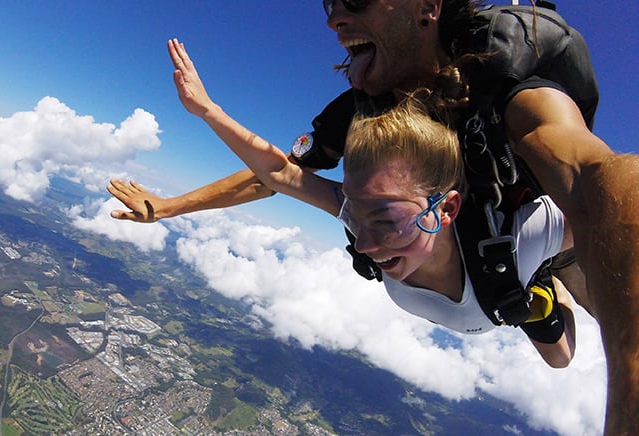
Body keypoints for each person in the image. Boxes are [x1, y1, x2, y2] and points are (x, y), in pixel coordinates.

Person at [108, 2, 639, 432]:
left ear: (428, 8)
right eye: (330, 3)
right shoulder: (360, 118)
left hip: (536, 232)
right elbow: (278, 174)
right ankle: (535, 297)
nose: (334, 17)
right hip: (462, 245)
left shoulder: (508, 79)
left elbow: (602, 182)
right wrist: (169, 207)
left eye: (355, 0)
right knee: (549, 337)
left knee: (563, 347)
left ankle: (543, 290)